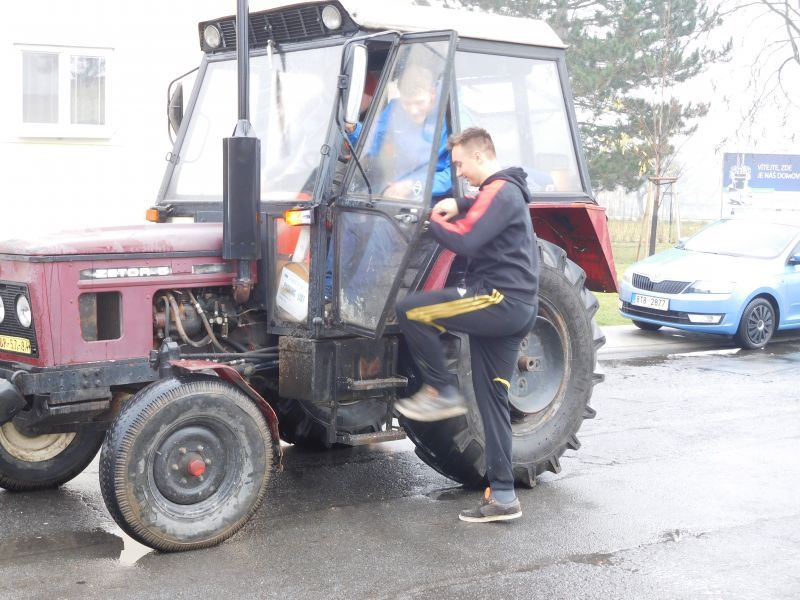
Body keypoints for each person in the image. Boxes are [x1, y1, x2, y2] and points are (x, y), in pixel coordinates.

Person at [395, 127, 539, 523]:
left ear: (479, 156)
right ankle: (504, 496)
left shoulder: (500, 191)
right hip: (517, 307)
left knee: (412, 310)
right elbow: (477, 209)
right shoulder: (503, 192)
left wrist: (431, 219)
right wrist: (458, 203)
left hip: (498, 299)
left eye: (459, 164)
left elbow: (467, 240)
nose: (459, 171)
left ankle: (440, 390)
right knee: (492, 403)